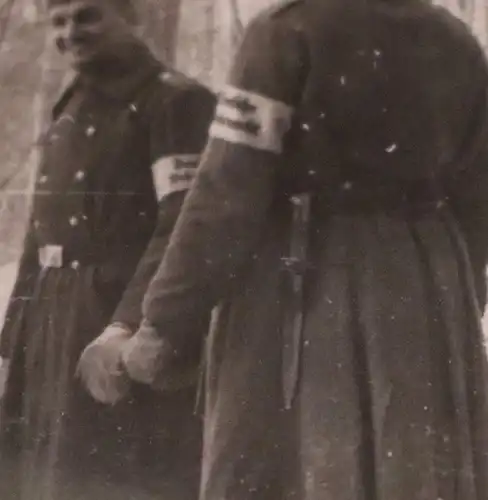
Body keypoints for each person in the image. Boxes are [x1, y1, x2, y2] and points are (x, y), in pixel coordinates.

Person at [119, 0, 488, 499]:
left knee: (299, 465)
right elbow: (477, 196)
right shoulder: (456, 41)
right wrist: (457, 301)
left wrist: (164, 322)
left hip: (304, 287)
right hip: (425, 291)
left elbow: (227, 192)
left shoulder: (284, 32)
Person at [0, 0, 215, 498]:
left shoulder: (175, 102)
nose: (70, 31)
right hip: (49, 327)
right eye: (59, 20)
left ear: (131, 17)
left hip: (113, 322)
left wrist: (127, 324)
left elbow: (180, 224)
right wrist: (10, 343)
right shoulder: (71, 105)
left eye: (87, 15)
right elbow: (39, 235)